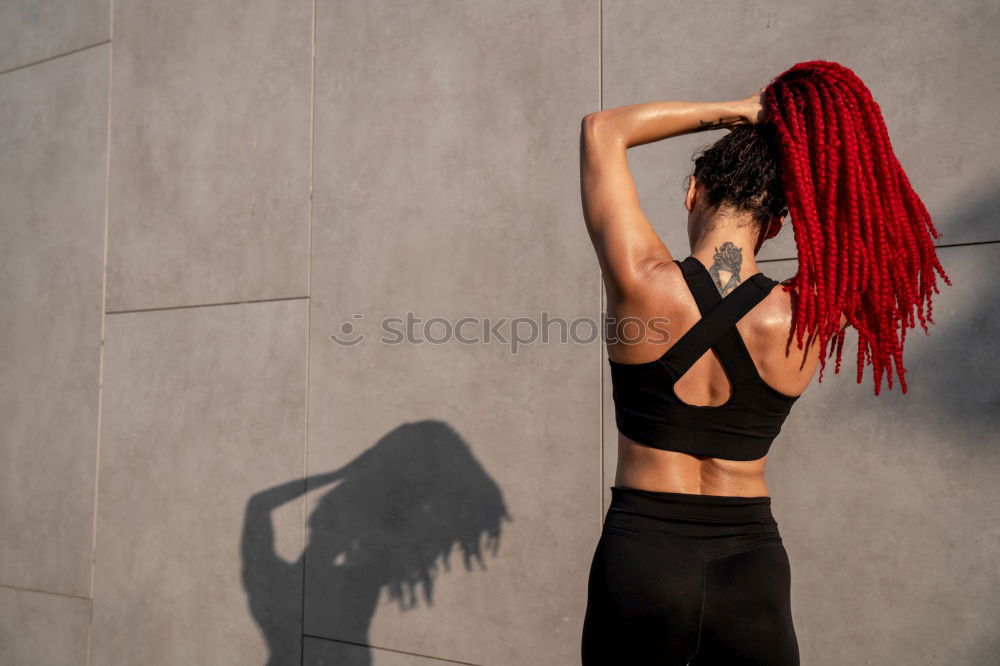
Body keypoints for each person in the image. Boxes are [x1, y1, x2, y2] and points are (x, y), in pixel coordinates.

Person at [577, 61, 949, 665]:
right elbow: (883, 243)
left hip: (643, 554)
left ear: (692, 192)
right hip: (750, 567)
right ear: (778, 222)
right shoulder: (808, 314)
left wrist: (745, 111)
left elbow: (602, 131)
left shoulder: (642, 282)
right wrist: (817, 156)